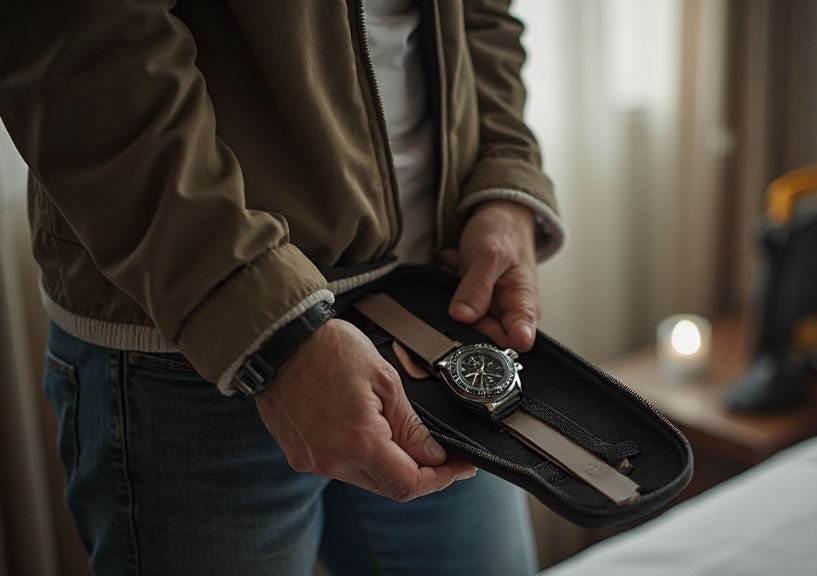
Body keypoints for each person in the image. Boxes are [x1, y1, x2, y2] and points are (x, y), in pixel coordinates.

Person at [0, 0, 565, 574]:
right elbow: (81, 54)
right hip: (192, 345)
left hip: (432, 318)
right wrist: (273, 334)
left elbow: (484, 15)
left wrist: (503, 178)